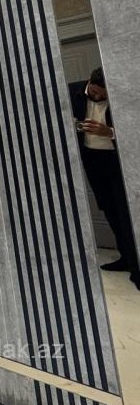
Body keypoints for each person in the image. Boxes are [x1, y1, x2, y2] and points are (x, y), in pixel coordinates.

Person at [70, 67, 139, 290]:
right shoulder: (71, 92)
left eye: (103, 95)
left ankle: (137, 267)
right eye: (95, 92)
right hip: (92, 162)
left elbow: (134, 129)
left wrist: (109, 132)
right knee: (109, 210)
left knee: (126, 213)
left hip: (117, 161)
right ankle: (126, 258)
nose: (98, 97)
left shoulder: (122, 94)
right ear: (89, 82)